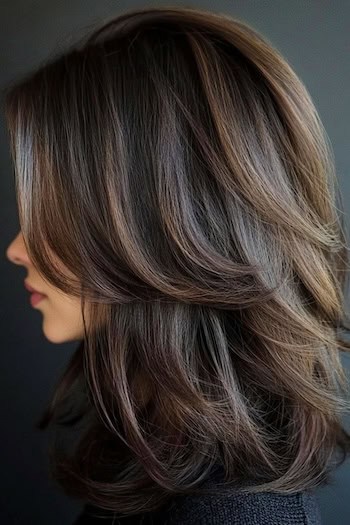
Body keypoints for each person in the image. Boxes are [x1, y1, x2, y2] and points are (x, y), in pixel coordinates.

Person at [4, 5, 350, 524]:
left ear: (157, 234)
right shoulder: (167, 457)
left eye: (53, 216)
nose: (15, 249)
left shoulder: (230, 514)